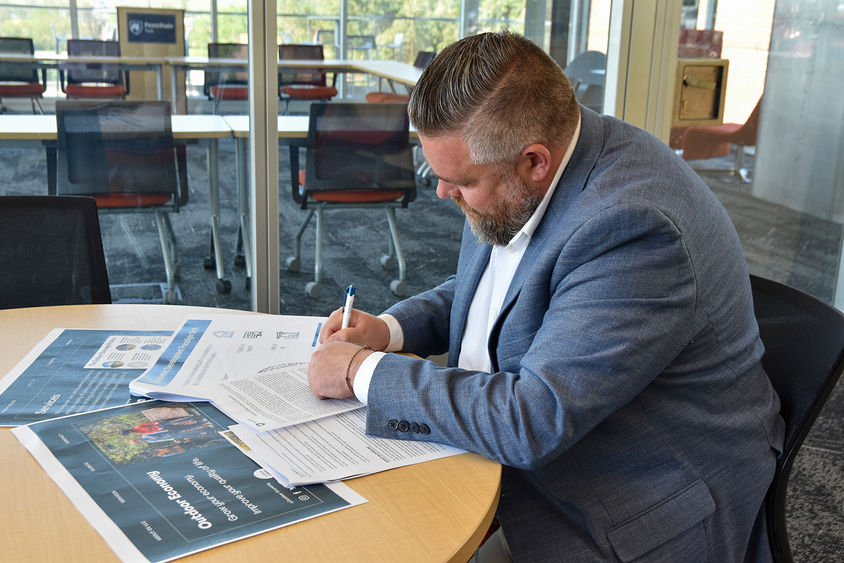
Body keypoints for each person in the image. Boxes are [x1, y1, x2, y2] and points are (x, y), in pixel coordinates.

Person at [308, 30, 784, 561]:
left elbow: (533, 420)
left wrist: (360, 372)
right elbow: (495, 288)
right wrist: (391, 330)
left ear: (534, 161)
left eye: (459, 182)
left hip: (632, 500)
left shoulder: (632, 229)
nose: (442, 193)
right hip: (532, 446)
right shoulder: (523, 165)